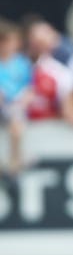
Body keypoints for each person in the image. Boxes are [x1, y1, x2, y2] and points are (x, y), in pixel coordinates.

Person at [0, 17, 32, 177]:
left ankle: (15, 160)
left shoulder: (22, 63)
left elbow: (29, 88)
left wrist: (22, 100)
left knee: (16, 124)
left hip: (15, 106)